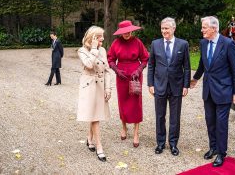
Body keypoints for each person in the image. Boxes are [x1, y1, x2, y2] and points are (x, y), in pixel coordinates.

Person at [190, 16, 235, 167]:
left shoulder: (228, 44)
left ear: (214, 28)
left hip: (224, 91)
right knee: (210, 122)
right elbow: (202, 63)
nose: (202, 30)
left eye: (204, 27)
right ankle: (213, 147)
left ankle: (221, 152)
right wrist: (195, 78)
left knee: (221, 123)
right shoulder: (203, 43)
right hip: (208, 90)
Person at [147, 17, 191, 156]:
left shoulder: (183, 44)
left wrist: (186, 85)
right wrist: (150, 84)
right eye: (162, 28)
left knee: (175, 117)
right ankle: (160, 143)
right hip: (159, 86)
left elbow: (187, 67)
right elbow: (151, 66)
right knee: (160, 116)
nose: (164, 31)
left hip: (176, 86)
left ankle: (173, 144)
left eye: (166, 28)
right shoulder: (155, 44)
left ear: (173, 29)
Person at [107, 20, 149, 148]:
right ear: (121, 32)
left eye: (128, 31)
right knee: (123, 101)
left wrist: (138, 70)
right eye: (124, 32)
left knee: (136, 102)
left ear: (132, 30)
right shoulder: (116, 43)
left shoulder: (137, 42)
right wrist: (116, 70)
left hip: (135, 76)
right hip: (122, 76)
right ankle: (124, 127)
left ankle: (136, 132)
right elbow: (110, 59)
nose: (126, 34)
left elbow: (145, 58)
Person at [76, 26, 112, 162]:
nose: (102, 40)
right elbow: (89, 64)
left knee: (94, 113)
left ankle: (89, 138)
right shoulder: (82, 51)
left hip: (101, 86)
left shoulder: (103, 50)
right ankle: (99, 146)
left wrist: (108, 88)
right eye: (100, 37)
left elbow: (107, 70)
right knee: (95, 116)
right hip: (89, 86)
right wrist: (94, 49)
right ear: (93, 37)